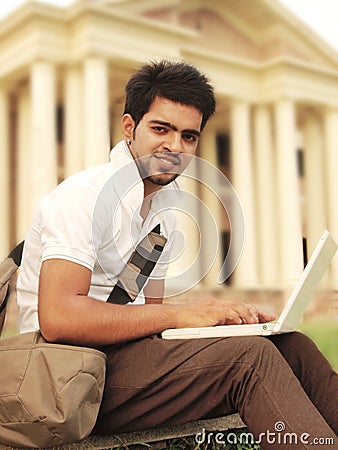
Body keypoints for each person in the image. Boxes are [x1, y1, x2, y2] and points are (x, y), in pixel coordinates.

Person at [17, 60, 337, 449]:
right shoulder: (84, 196)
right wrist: (183, 314)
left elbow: (144, 314)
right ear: (130, 128)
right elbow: (59, 318)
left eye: (189, 136)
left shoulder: (162, 212)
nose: (174, 147)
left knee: (291, 347)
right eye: (160, 129)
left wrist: (218, 318)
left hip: (115, 363)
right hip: (60, 377)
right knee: (249, 360)